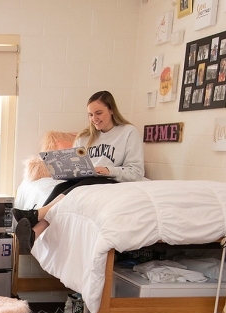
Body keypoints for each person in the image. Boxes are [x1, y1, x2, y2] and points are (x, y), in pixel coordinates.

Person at [13, 91, 145, 253]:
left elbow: (137, 172)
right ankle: (33, 234)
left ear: (111, 110)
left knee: (82, 185)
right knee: (60, 188)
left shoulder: (128, 132)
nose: (94, 118)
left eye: (98, 113)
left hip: (111, 180)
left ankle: (35, 215)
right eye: (90, 114)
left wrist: (107, 170)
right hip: (87, 178)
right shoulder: (84, 137)